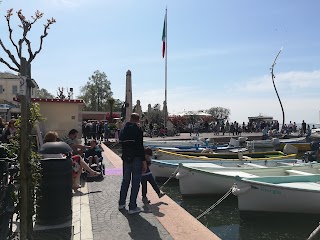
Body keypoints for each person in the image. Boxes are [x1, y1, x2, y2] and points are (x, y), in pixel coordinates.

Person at [118, 113, 147, 214]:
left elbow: (120, 141)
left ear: (130, 118)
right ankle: (132, 206)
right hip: (137, 158)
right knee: (135, 183)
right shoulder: (138, 130)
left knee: (125, 181)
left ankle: (121, 203)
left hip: (126, 158)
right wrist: (144, 161)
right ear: (138, 120)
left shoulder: (123, 129)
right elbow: (140, 146)